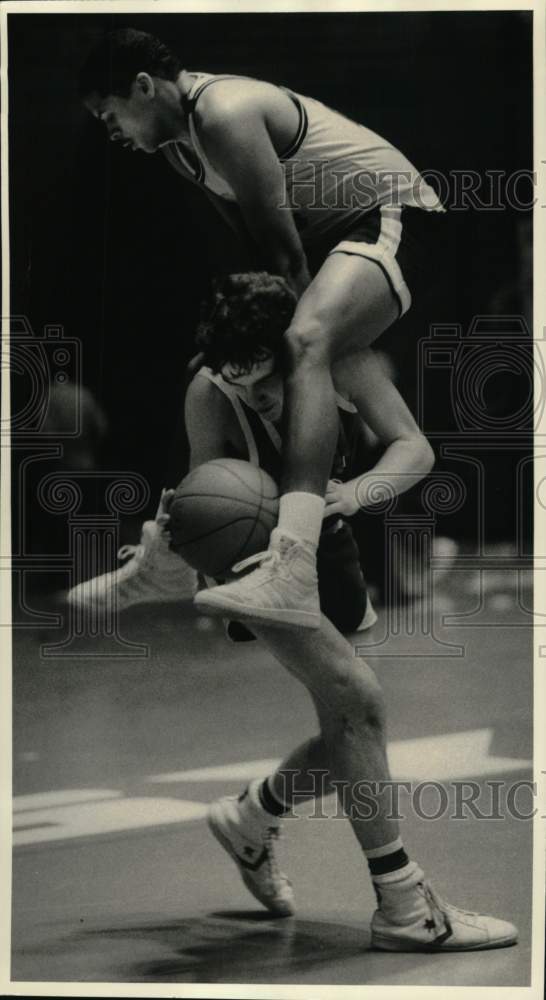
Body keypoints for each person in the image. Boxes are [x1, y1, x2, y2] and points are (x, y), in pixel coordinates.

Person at [68, 273, 517, 950]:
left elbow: (414, 447)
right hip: (254, 555)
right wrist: (197, 538)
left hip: (324, 537)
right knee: (357, 701)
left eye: (266, 384)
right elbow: (214, 496)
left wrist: (357, 492)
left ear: (294, 346)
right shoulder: (210, 391)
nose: (254, 397)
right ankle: (403, 906)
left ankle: (254, 816)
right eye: (238, 384)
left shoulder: (339, 356)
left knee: (353, 729)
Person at [79, 27, 446, 630]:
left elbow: (283, 256)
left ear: (143, 87)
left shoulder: (223, 111)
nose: (109, 130)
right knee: (212, 370)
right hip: (328, 246)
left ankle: (294, 561)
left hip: (393, 215)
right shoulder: (180, 147)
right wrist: (237, 348)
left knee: (305, 343)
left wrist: (293, 340)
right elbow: (255, 249)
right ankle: (169, 553)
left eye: (108, 113)